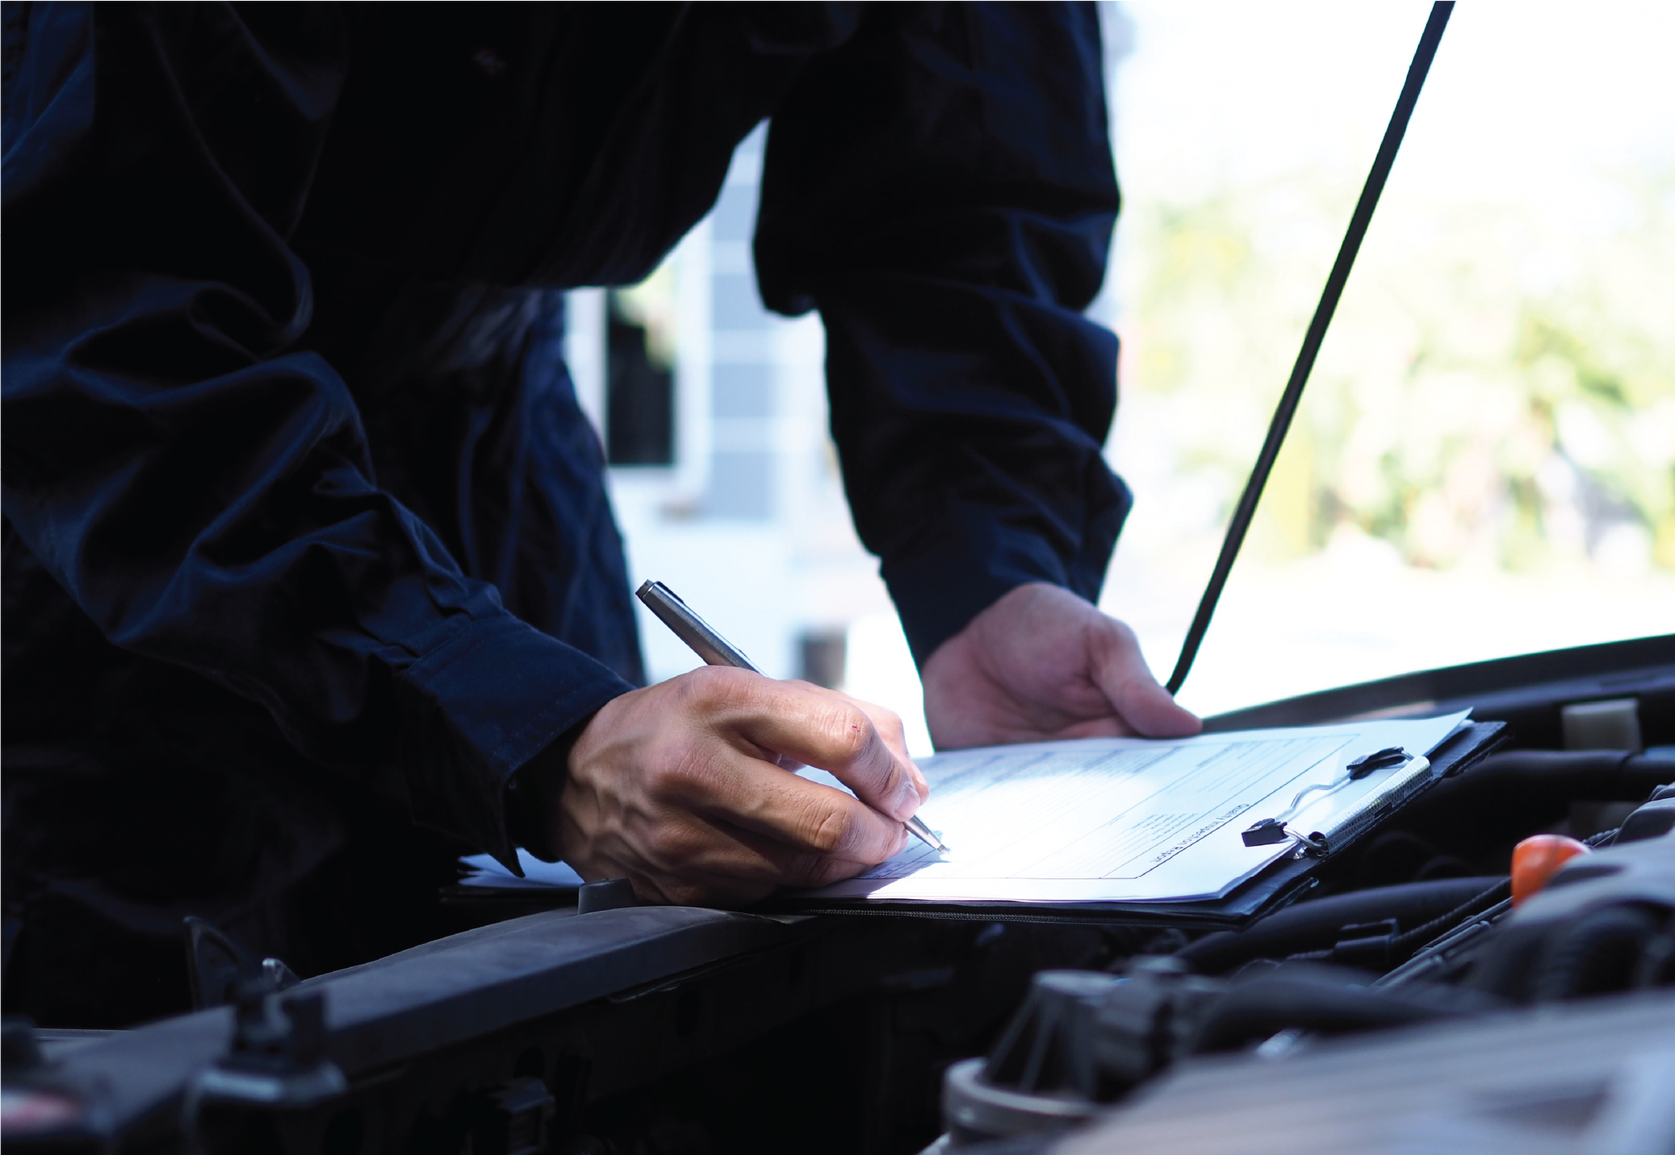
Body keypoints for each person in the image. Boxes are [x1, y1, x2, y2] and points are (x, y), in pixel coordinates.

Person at [0, 0, 1199, 1028]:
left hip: (493, 428)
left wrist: (986, 572)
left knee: (604, 1054)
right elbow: (96, 302)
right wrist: (529, 726)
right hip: (101, 487)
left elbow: (967, 192)